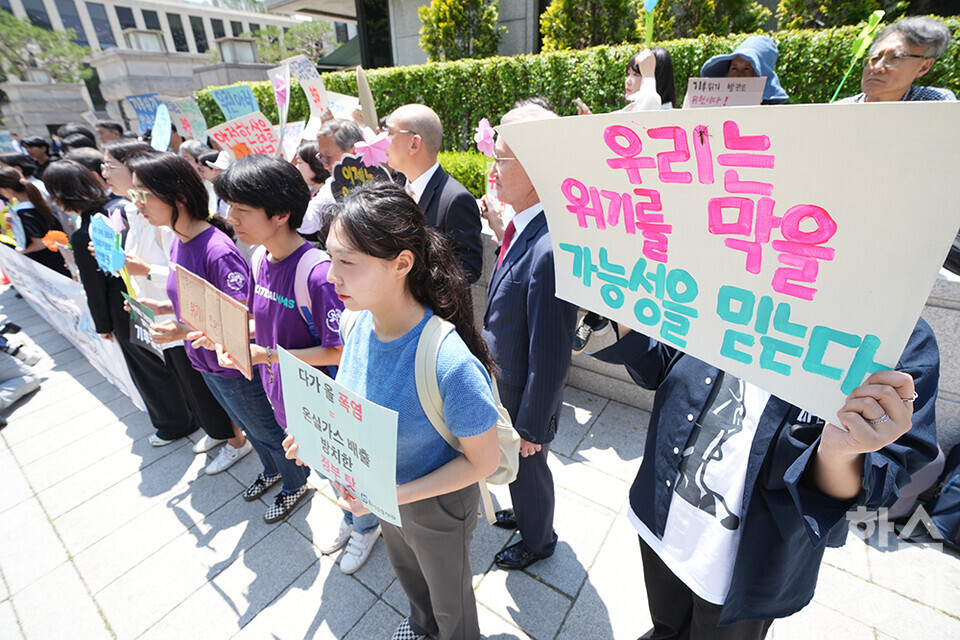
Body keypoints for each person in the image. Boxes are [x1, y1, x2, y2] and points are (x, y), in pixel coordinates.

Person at [589, 318, 938, 639]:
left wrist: (841, 452)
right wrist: (625, 312)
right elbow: (663, 363)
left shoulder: (899, 331)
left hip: (751, 549)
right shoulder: (727, 263)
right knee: (665, 622)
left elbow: (876, 482)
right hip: (664, 504)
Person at [285, 181, 501, 640]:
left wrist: (393, 496)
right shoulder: (356, 322)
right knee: (410, 578)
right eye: (330, 257)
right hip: (382, 492)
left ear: (402, 263)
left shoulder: (449, 362)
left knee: (452, 598)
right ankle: (422, 627)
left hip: (437, 501)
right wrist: (314, 436)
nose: (330, 275)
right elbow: (352, 408)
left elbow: (483, 461)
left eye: (348, 261)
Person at [129, 153, 311, 522]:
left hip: (235, 363)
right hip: (207, 358)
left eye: (145, 194)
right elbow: (202, 300)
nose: (139, 205)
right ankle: (272, 470)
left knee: (267, 428)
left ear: (177, 196)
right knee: (250, 426)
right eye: (135, 195)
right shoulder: (177, 238)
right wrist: (168, 310)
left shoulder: (217, 249)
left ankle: (295, 482)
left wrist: (182, 330)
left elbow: (240, 317)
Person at [205, 154, 346, 516]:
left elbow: (340, 353)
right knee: (323, 468)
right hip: (282, 393)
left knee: (342, 473)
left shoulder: (317, 274)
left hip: (322, 403)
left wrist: (265, 355)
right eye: (229, 206)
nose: (230, 218)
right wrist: (224, 335)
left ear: (281, 214)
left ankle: (360, 526)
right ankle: (352, 520)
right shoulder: (258, 259)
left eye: (241, 209)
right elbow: (265, 325)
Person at [481, 104, 578, 571]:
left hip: (525, 399)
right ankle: (523, 515)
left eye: (500, 160)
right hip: (508, 384)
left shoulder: (550, 246)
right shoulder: (523, 223)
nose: (491, 170)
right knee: (518, 471)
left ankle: (539, 540)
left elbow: (552, 351)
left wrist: (533, 426)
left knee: (529, 468)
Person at [43, 160, 200, 446]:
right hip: (143, 298)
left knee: (149, 368)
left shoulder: (86, 231)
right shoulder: (115, 209)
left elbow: (95, 286)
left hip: (126, 305)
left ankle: (173, 424)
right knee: (166, 363)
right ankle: (192, 413)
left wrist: (102, 324)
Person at [105, 140, 239, 454]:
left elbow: (231, 315)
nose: (138, 201)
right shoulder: (146, 219)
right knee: (199, 388)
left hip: (197, 334)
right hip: (180, 326)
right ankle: (221, 431)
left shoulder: (191, 237)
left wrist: (146, 272)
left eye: (111, 166)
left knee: (227, 401)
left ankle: (235, 439)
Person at [383, 104, 484, 283]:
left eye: (389, 133)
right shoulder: (395, 187)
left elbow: (468, 269)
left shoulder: (455, 199)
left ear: (414, 143)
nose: (382, 140)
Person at [837, 16, 955, 103]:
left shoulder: (936, 103)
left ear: (923, 67)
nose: (877, 68)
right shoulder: (840, 110)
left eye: (894, 58)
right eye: (875, 58)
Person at [297, 119, 365, 237]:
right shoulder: (331, 186)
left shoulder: (385, 172)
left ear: (353, 151)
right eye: (320, 157)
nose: (324, 165)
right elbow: (308, 221)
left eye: (328, 157)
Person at [0, 168, 70, 277]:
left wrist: (22, 251)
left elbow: (40, 243)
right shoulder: (35, 201)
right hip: (58, 255)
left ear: (5, 190)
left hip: (47, 262)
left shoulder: (24, 212)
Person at [700, 35, 789, 105]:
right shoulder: (715, 108)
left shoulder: (775, 115)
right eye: (734, 68)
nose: (739, 75)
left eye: (747, 68)